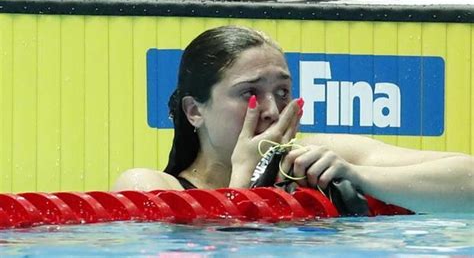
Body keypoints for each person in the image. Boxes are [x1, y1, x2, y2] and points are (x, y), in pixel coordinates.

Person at [114, 25, 474, 213]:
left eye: (283, 92)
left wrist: (362, 177)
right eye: (249, 93)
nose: (272, 109)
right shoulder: (148, 186)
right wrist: (245, 177)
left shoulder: (319, 156)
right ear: (195, 111)